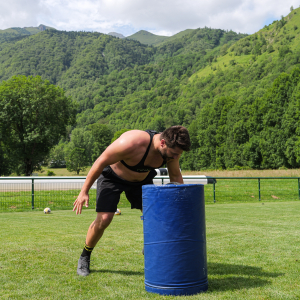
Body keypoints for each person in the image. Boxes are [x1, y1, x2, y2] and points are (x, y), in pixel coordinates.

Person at [73, 125, 191, 276]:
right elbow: (100, 161)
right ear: (163, 143)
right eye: (174, 153)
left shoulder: (172, 151)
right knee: (104, 219)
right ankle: (85, 257)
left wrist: (178, 201)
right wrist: (84, 191)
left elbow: (175, 176)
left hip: (141, 182)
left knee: (158, 215)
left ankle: (150, 246)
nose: (175, 157)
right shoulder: (131, 142)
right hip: (113, 178)